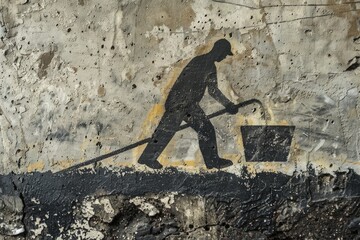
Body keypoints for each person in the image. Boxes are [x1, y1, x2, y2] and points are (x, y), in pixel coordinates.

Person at [138, 39, 238, 169]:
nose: (224, 57)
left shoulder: (210, 66)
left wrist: (228, 105)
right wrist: (228, 104)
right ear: (218, 50)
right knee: (166, 131)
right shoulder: (199, 62)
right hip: (180, 102)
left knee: (205, 129)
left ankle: (212, 161)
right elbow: (186, 84)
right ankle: (147, 158)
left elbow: (213, 90)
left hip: (188, 104)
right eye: (224, 53)